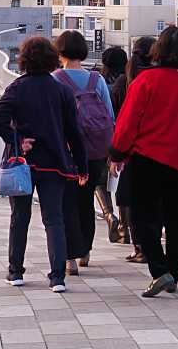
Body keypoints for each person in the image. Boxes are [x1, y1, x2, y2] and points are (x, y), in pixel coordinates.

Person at [111, 26, 178, 298]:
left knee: (143, 219)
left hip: (148, 159)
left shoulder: (146, 81)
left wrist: (117, 151)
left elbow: (128, 122)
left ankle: (160, 270)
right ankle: (174, 273)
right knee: (176, 219)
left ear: (159, 49)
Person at [0, 36, 88, 293]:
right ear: (52, 58)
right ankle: (57, 277)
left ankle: (15, 272)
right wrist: (82, 166)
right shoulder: (61, 90)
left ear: (23, 60)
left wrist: (17, 140)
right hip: (55, 164)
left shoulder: (17, 87)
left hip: (22, 164)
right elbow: (74, 133)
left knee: (19, 217)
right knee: (54, 220)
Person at [52, 31, 113, 275]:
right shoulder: (96, 79)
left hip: (67, 151)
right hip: (96, 150)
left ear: (60, 52)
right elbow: (109, 114)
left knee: (67, 203)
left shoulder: (56, 79)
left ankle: (69, 258)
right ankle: (85, 250)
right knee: (87, 199)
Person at [116, 36, 157, 263]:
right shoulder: (156, 78)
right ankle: (150, 248)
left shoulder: (127, 80)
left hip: (132, 148)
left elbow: (121, 118)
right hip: (157, 147)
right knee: (154, 201)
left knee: (131, 199)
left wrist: (116, 151)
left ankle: (139, 246)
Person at [98, 45, 131, 245]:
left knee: (100, 181)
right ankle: (124, 229)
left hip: (103, 137)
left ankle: (109, 215)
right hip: (126, 138)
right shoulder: (130, 82)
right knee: (124, 183)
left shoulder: (100, 82)